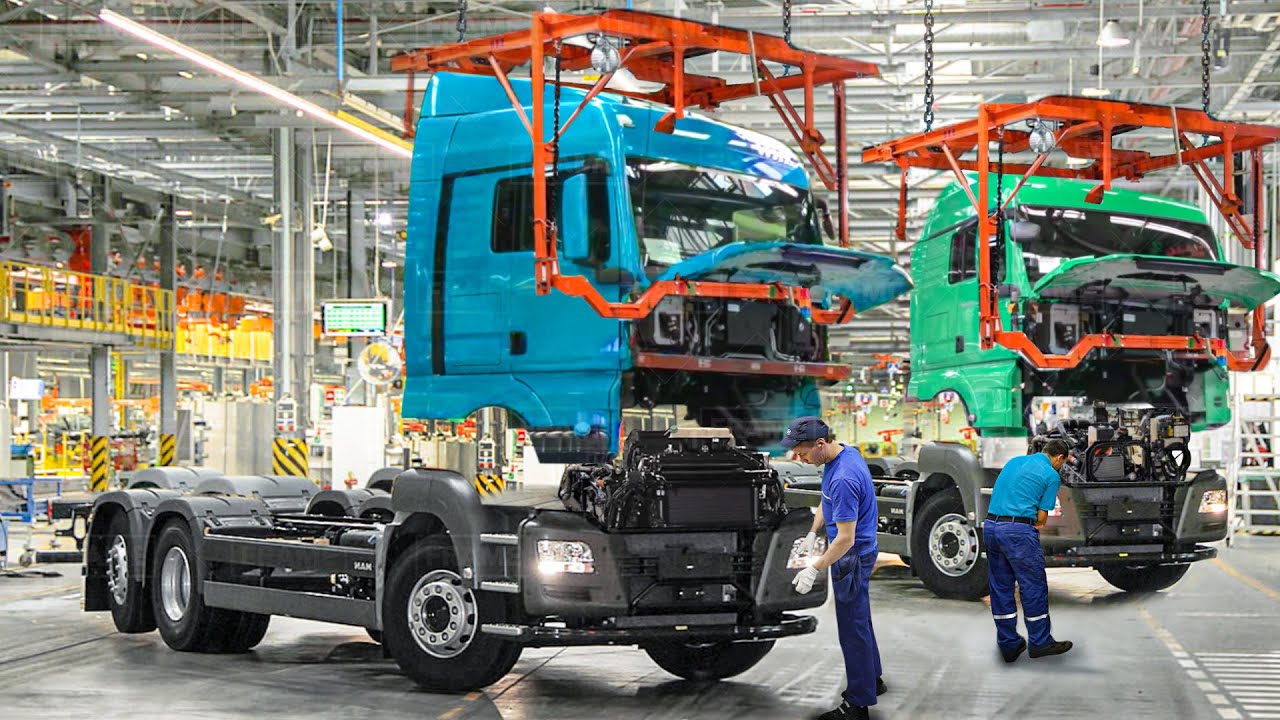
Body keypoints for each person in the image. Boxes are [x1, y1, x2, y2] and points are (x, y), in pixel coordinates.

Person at [784, 416, 885, 720]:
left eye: (802, 452)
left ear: (820, 443)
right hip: (857, 552)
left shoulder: (843, 477)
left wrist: (814, 567)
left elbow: (844, 538)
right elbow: (826, 502)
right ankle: (873, 680)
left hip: (851, 558)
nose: (798, 459)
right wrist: (813, 534)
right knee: (861, 619)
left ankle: (858, 704)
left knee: (852, 630)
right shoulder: (844, 454)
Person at [985, 438, 1074, 663]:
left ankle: (1009, 644)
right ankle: (1040, 642)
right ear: (1060, 458)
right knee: (1032, 585)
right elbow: (1041, 520)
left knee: (1001, 586)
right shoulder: (1051, 475)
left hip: (991, 527)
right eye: (1061, 463)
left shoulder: (1015, 461)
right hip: (1017, 532)